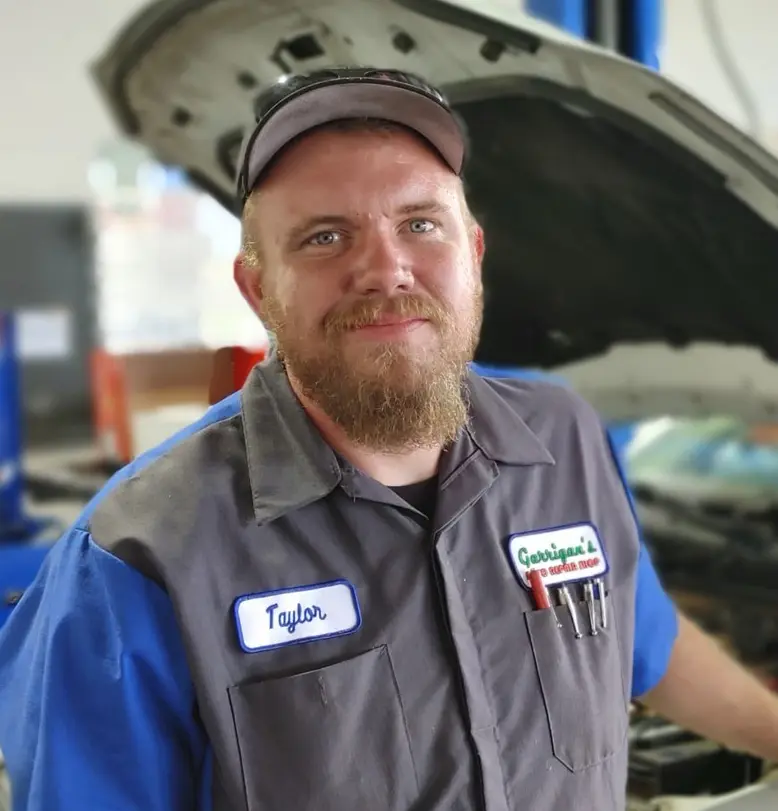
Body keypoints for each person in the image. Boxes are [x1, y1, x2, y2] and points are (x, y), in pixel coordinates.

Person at [0, 67, 777, 811]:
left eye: (420, 224)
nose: (386, 268)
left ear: (473, 254)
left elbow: (640, 640)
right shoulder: (138, 555)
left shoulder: (563, 438)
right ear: (258, 287)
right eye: (324, 237)